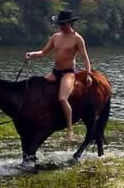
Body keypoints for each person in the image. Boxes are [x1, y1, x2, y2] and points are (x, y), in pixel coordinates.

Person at [25, 10, 92, 143]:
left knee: (62, 99)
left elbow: (85, 58)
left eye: (62, 24)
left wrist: (88, 74)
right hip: (55, 71)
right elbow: (43, 52)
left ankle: (69, 130)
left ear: (69, 23)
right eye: (59, 24)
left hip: (68, 73)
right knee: (38, 88)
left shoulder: (77, 39)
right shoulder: (55, 37)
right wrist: (31, 54)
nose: (60, 26)